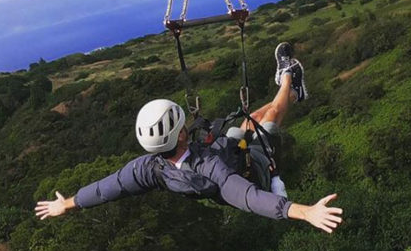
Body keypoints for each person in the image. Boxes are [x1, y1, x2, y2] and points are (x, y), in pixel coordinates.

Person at [34, 43, 343, 234]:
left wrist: (70, 204)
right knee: (271, 115)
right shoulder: (208, 167)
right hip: (251, 166)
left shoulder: (149, 168)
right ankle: (290, 77)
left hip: (230, 150)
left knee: (250, 118)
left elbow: (107, 189)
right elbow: (249, 197)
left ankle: (288, 87)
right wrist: (306, 212)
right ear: (181, 133)